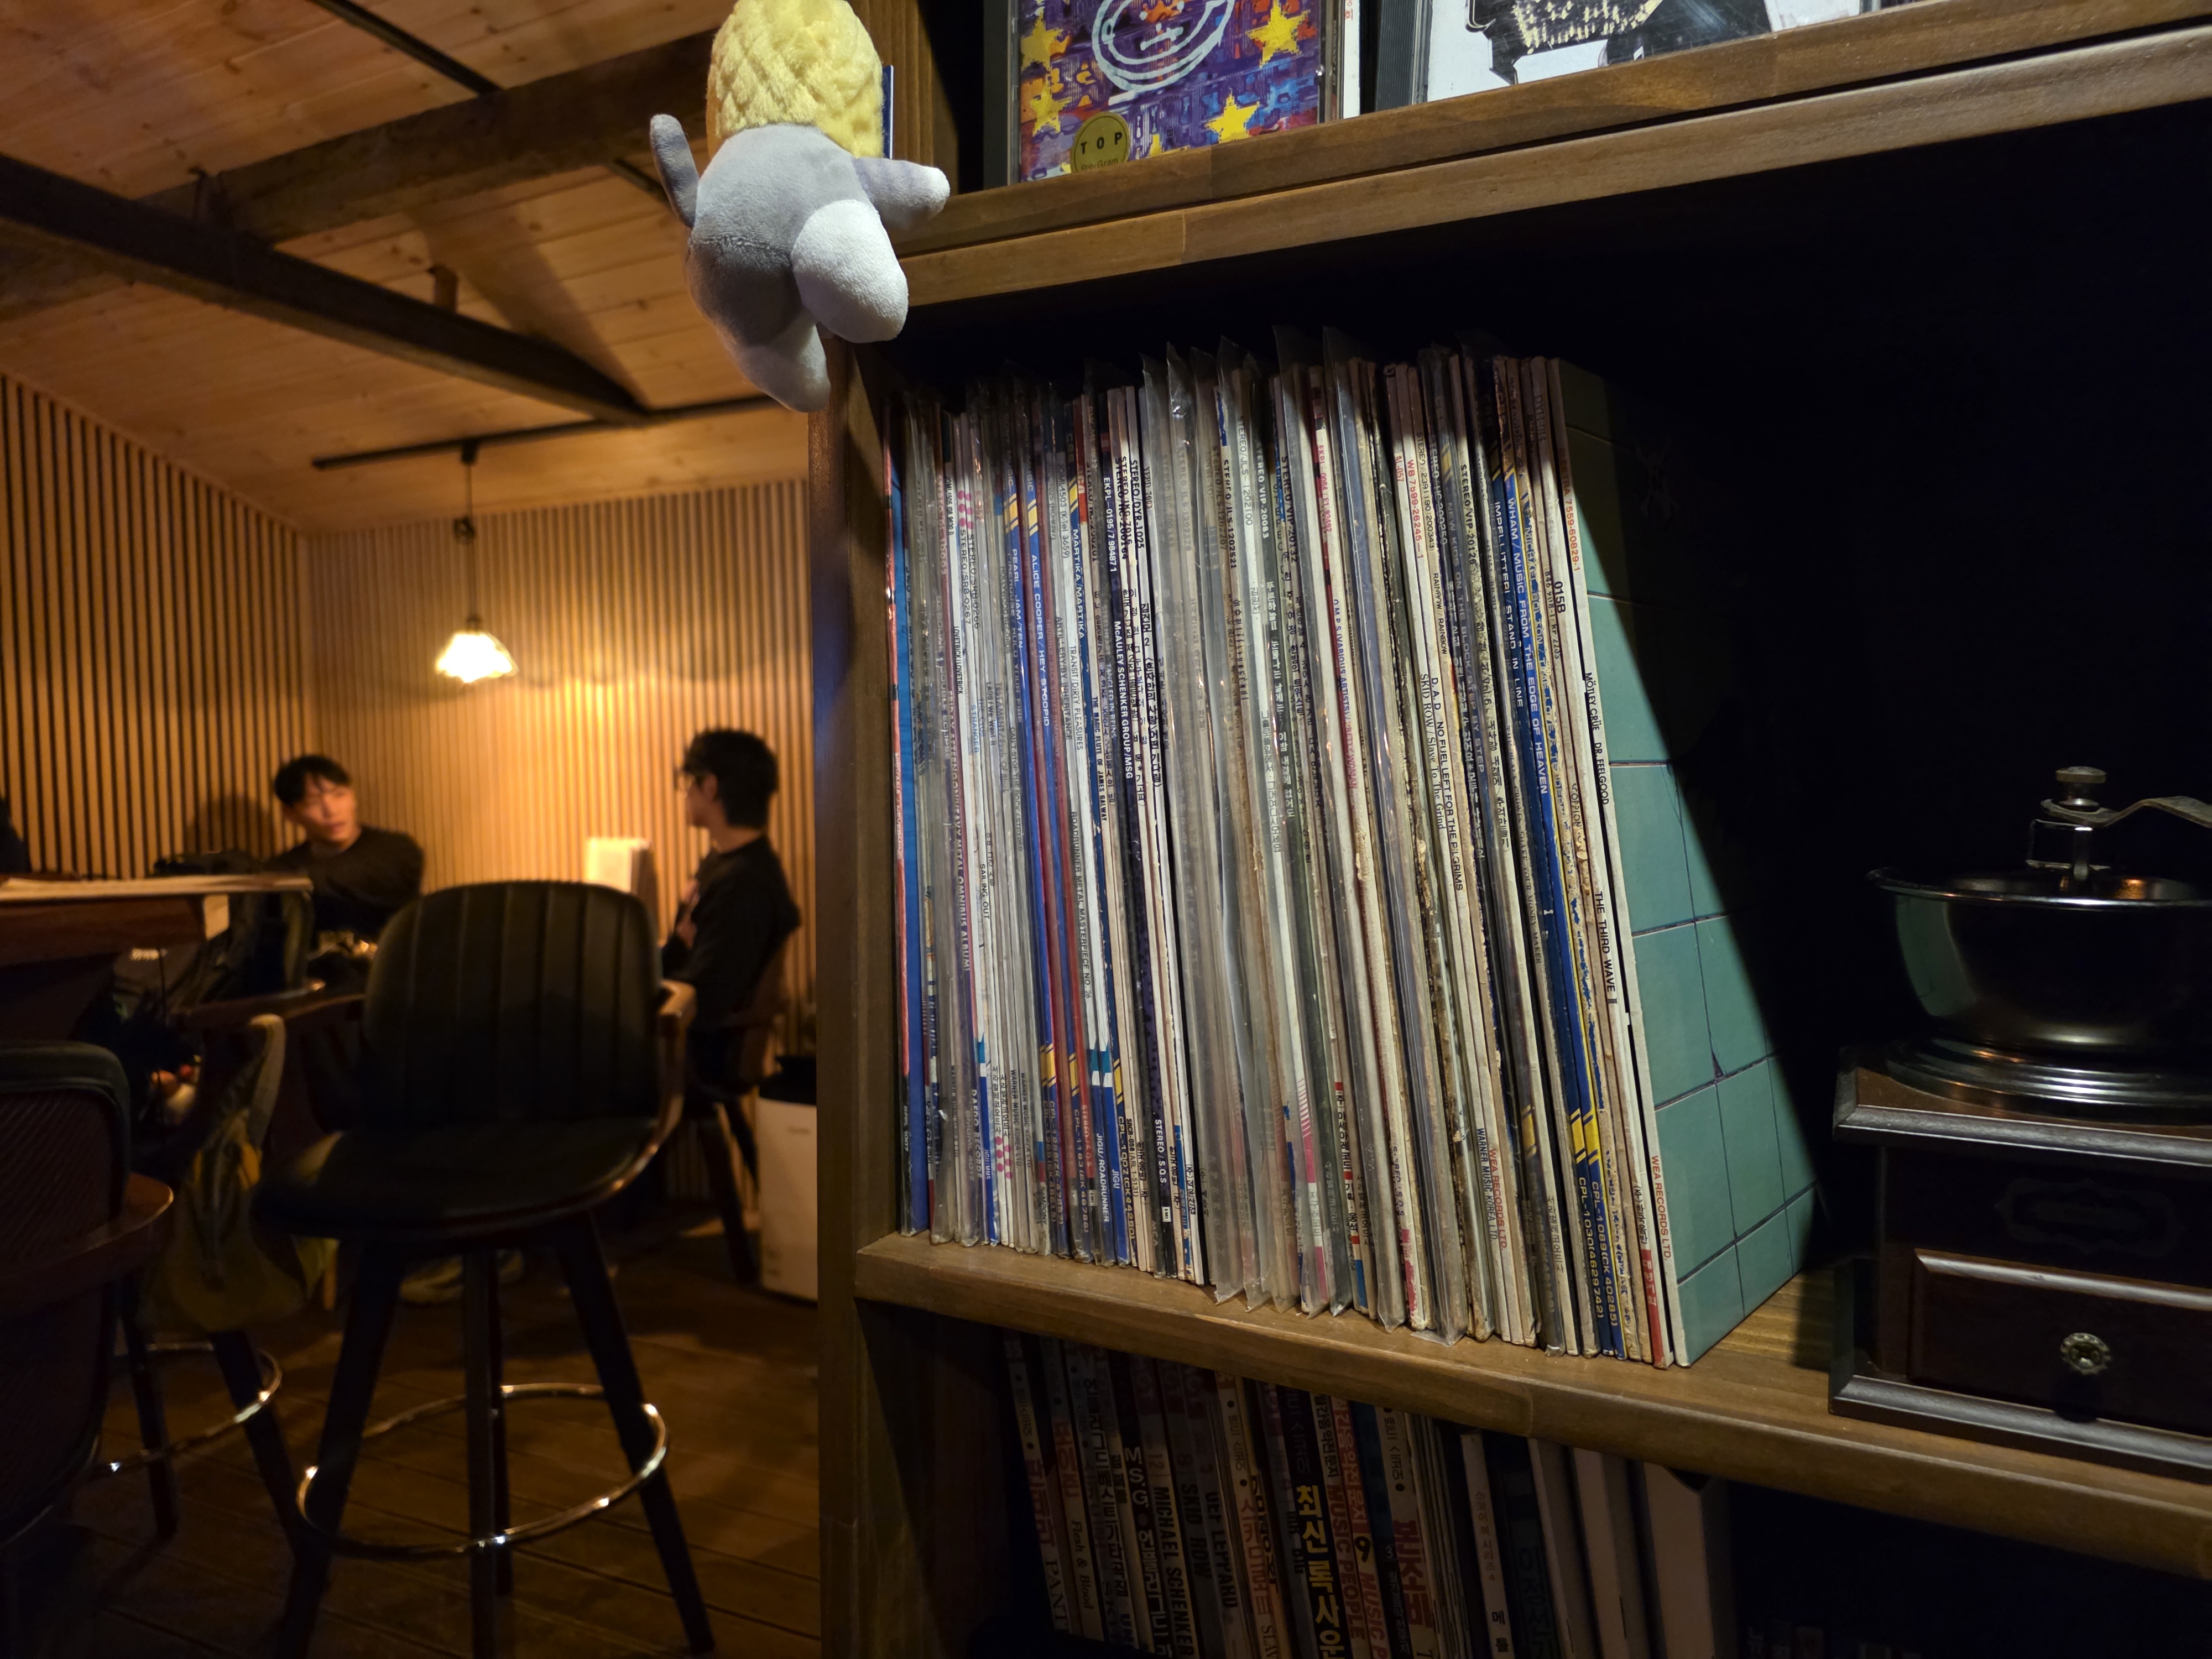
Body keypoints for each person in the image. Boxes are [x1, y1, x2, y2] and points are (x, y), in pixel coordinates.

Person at [664, 729, 802, 1090]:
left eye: (688, 782)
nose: (686, 793)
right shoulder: (724, 863)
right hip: (693, 1039)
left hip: (701, 1054)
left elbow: (705, 995)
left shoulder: (745, 883)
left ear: (709, 787)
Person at [269, 755, 424, 942]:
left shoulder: (397, 850)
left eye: (339, 795)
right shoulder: (285, 868)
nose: (332, 811)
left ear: (353, 796)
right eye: (314, 802)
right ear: (290, 813)